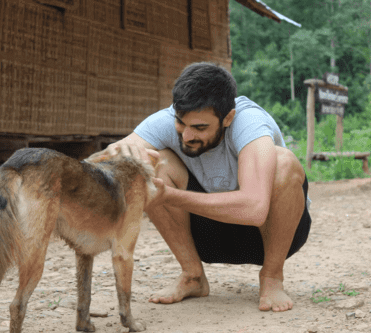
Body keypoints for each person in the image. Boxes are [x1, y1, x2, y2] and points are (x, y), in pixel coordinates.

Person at [88, 62, 311, 312]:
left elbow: (254, 209)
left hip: (269, 235)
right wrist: (117, 154)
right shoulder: (166, 120)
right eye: (182, 124)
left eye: (200, 128)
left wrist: (171, 196)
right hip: (207, 236)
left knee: (285, 162)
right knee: (153, 162)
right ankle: (192, 276)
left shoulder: (250, 123)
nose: (186, 136)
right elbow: (105, 159)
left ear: (228, 118)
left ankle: (272, 277)